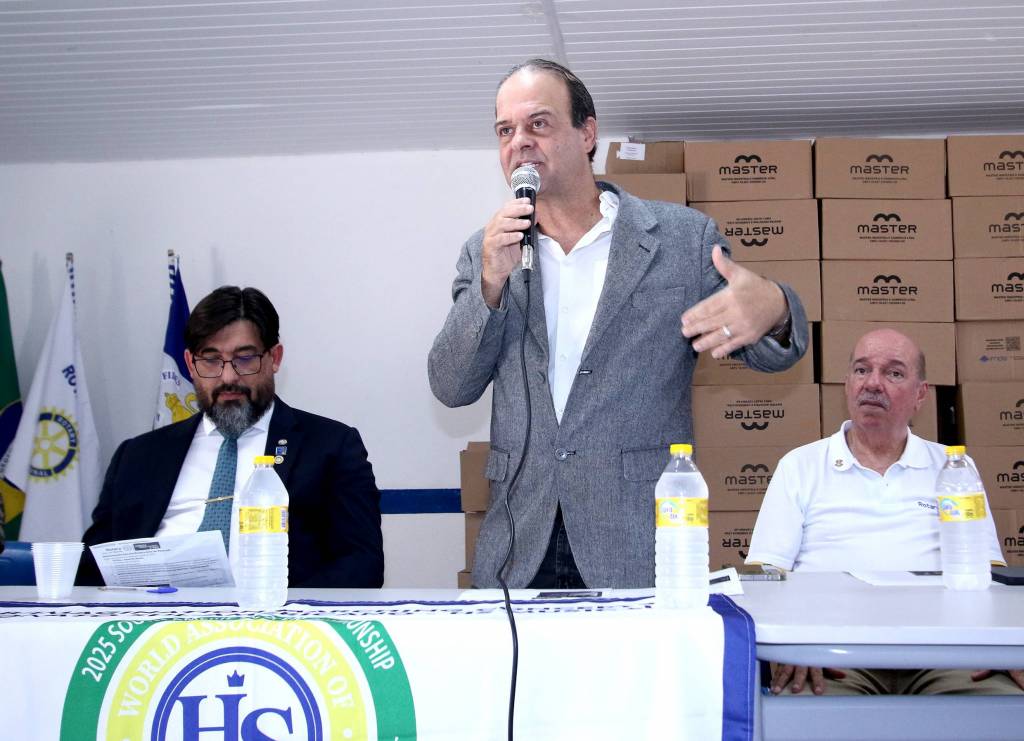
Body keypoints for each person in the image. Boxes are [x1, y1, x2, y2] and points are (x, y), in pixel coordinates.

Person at [428, 59, 808, 589]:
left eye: (539, 123)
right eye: (505, 130)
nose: (520, 142)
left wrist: (776, 306)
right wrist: (491, 282)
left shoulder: (681, 239)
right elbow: (451, 386)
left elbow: (772, 354)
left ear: (587, 133)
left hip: (634, 540)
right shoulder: (487, 250)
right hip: (519, 543)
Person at [747, 328, 1022, 695]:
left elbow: (989, 572)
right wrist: (791, 644)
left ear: (921, 394)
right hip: (832, 653)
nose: (873, 383)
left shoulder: (954, 468)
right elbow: (766, 575)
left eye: (893, 373)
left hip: (947, 650)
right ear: (847, 384)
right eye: (862, 370)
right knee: (807, 708)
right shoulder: (801, 466)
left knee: (1000, 706)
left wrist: (1004, 644)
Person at [78, 286, 384, 588]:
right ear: (190, 364)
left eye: (245, 358)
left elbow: (363, 564)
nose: (228, 377)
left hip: (272, 616)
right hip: (153, 614)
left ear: (274, 358)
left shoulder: (330, 446)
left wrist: (277, 605)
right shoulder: (138, 456)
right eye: (210, 360)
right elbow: (92, 568)